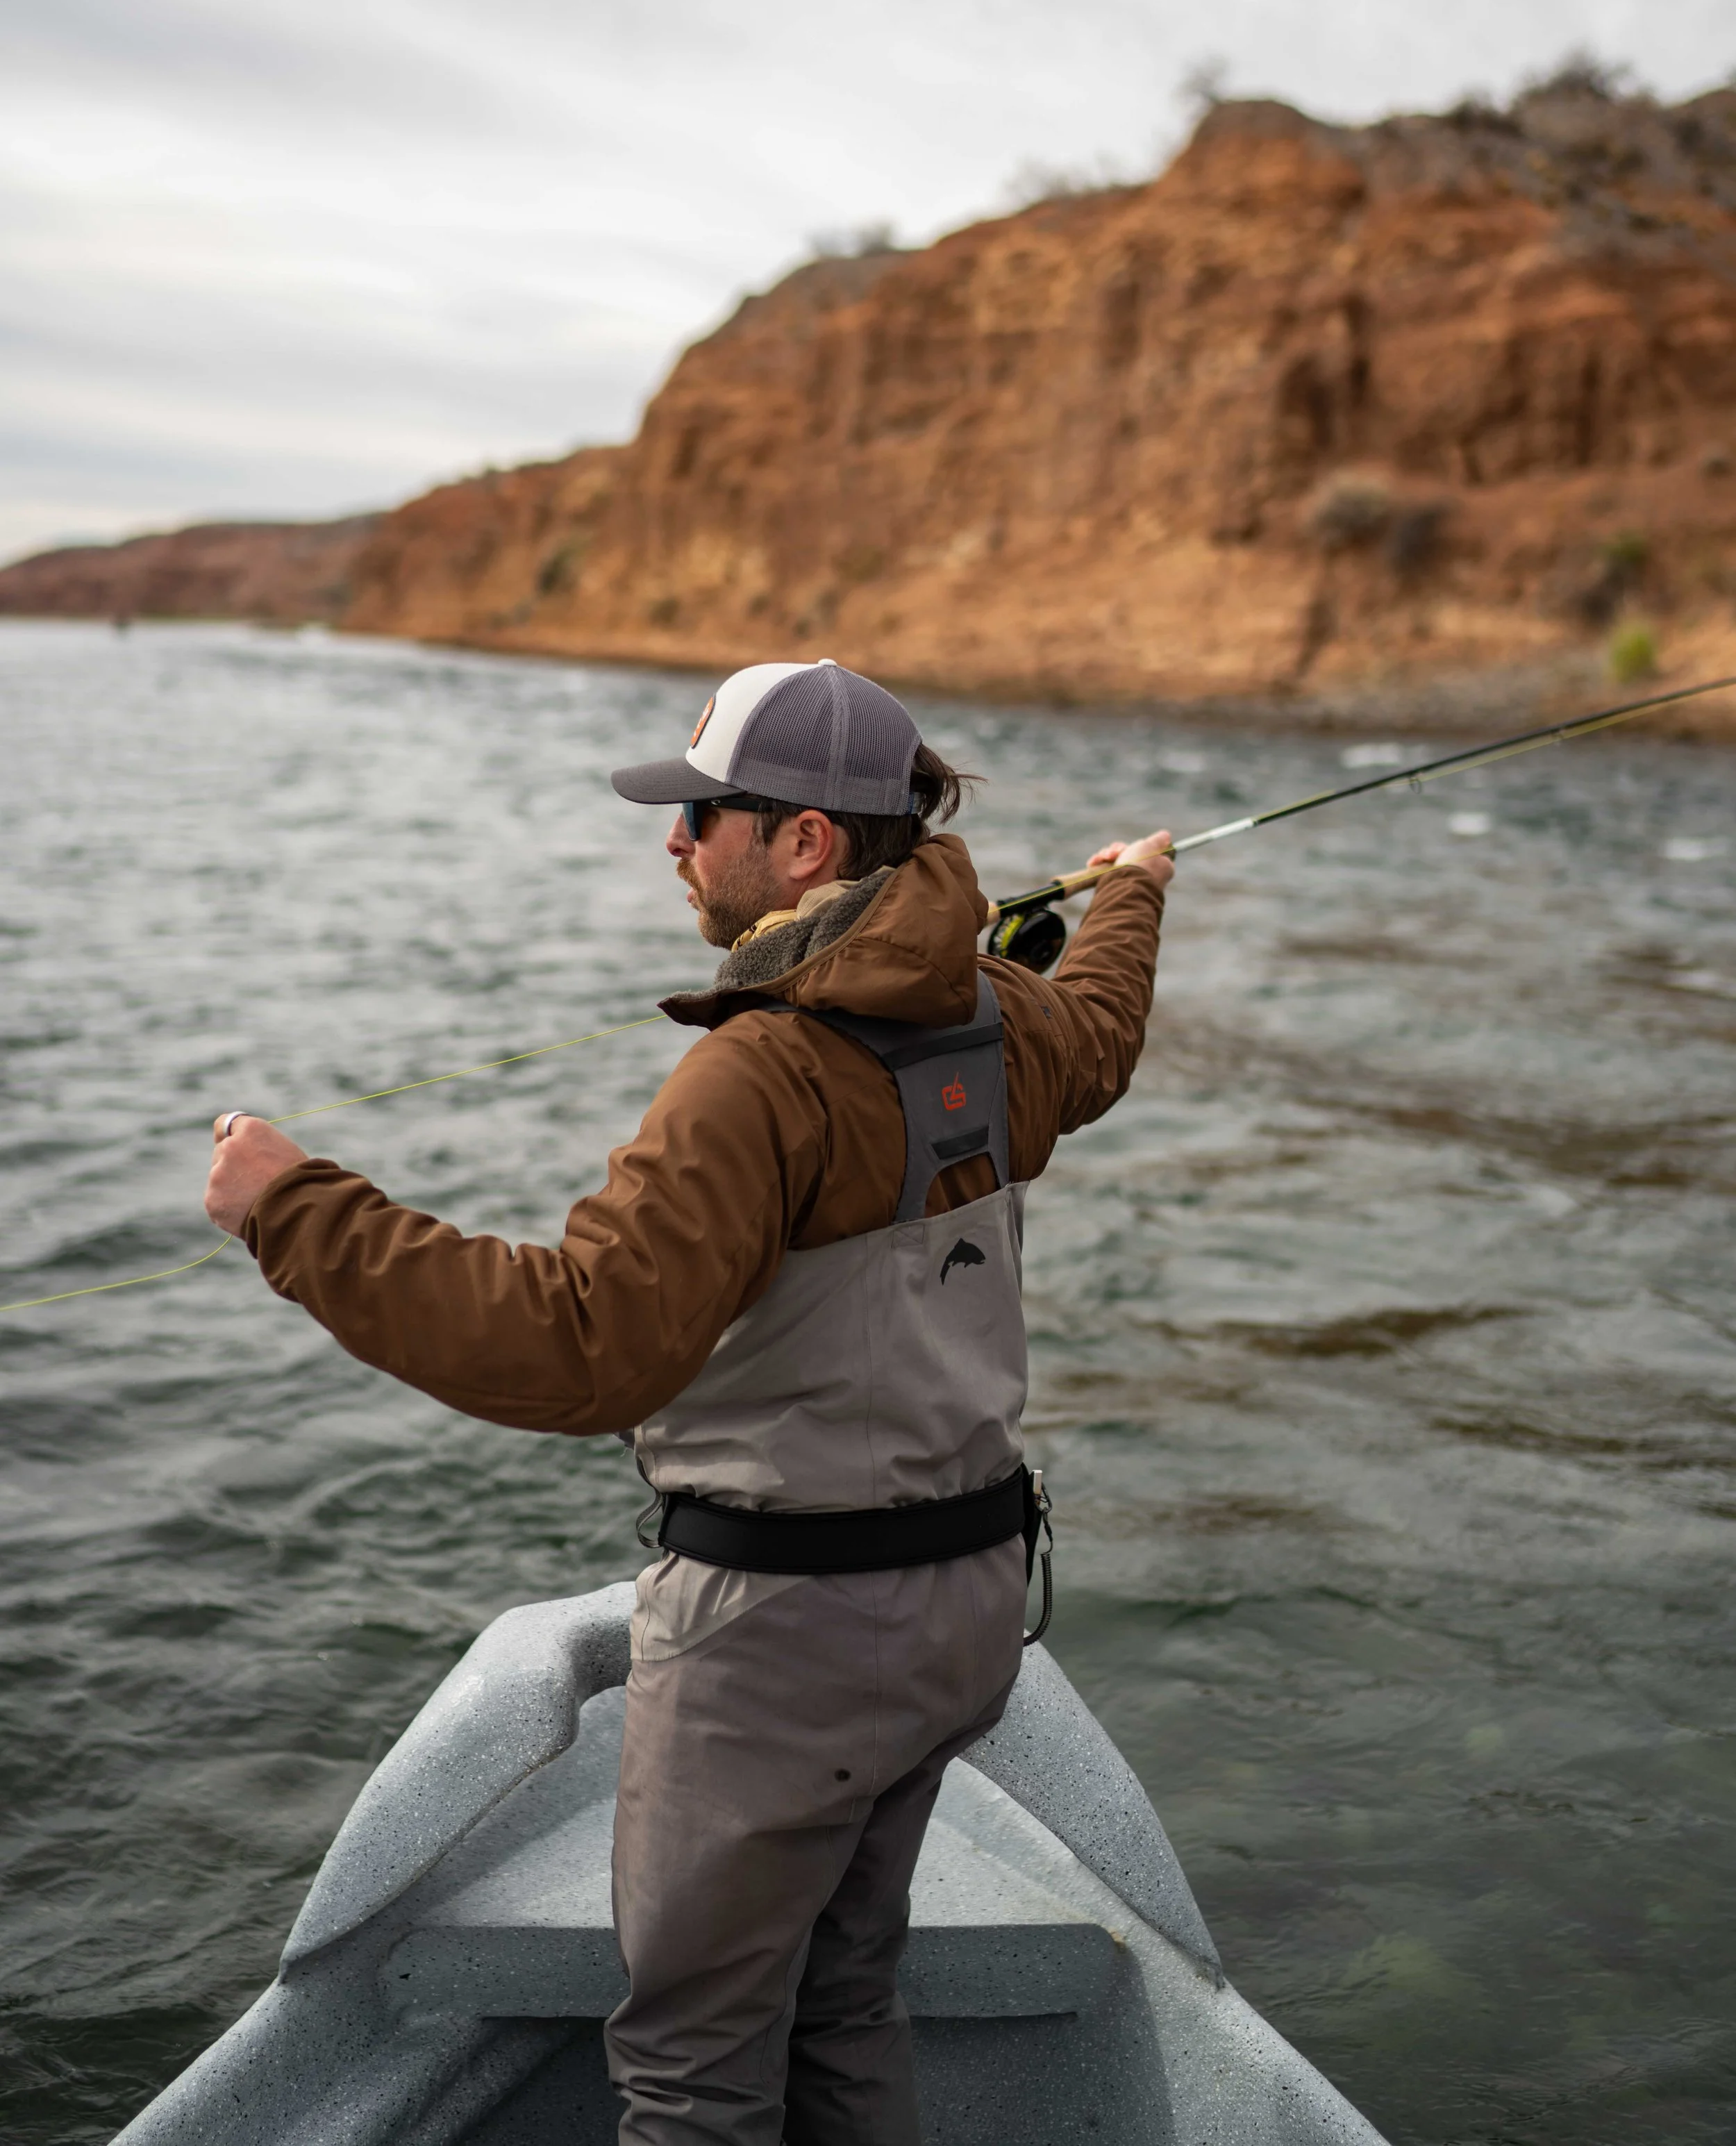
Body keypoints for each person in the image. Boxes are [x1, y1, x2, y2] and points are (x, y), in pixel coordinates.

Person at [204, 656, 1173, 2146]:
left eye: (701, 813)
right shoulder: (1004, 1018)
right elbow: (1093, 1037)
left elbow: (583, 1343)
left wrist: (299, 1210)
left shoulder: (759, 1078)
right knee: (843, 1994)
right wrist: (1133, 897)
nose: (672, 842)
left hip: (791, 1650)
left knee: (689, 2071)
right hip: (969, 1608)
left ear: (803, 845)